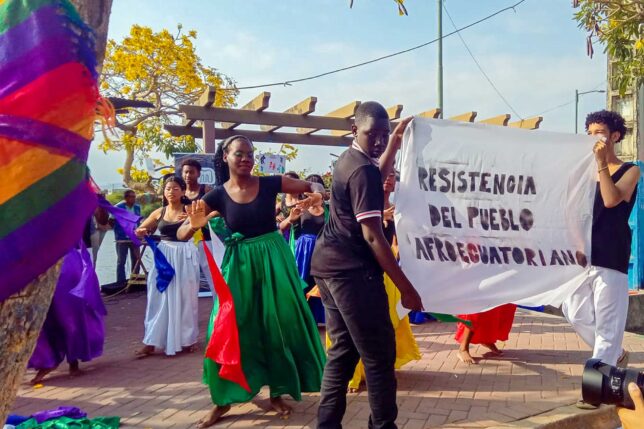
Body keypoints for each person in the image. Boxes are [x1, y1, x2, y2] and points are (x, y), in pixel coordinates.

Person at [178, 135, 326, 428]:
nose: (246, 158)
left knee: (276, 325)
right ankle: (222, 400)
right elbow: (182, 233)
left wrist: (317, 194)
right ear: (226, 157)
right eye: (239, 154)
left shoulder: (271, 183)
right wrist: (193, 226)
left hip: (274, 260)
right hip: (239, 266)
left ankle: (278, 393)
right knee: (226, 327)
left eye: (250, 153)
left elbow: (313, 186)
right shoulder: (216, 195)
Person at [310, 101, 423, 429]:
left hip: (329, 266)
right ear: (354, 129)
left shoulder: (351, 160)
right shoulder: (361, 169)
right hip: (352, 272)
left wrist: (395, 141)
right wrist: (406, 289)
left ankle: (327, 425)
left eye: (384, 134)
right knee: (378, 355)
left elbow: (375, 178)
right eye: (372, 134)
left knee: (343, 351)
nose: (378, 140)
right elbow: (373, 235)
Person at [560, 110, 639, 409]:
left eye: (600, 132)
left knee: (607, 326)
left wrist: (602, 164)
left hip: (612, 255)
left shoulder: (630, 171)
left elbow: (610, 199)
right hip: (583, 257)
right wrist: (575, 244)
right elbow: (572, 212)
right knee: (574, 311)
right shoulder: (582, 173)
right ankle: (614, 355)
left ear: (615, 136)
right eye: (590, 132)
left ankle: (597, 391)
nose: (594, 138)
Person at [342, 169, 421, 393]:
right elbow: (352, 232)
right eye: (385, 175)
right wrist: (378, 218)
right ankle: (355, 373)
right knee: (359, 325)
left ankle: (378, 369)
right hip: (361, 271)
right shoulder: (363, 202)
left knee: (388, 323)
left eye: (393, 177)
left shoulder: (401, 208)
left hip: (388, 274)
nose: (388, 180)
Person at [134, 176, 200, 358]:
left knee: (186, 297)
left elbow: (202, 223)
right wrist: (140, 231)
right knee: (157, 297)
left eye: (176, 188)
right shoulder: (159, 212)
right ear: (164, 192)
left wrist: (192, 220)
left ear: (183, 191)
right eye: (168, 188)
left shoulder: (190, 209)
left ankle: (188, 339)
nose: (171, 192)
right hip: (164, 256)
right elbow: (139, 231)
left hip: (184, 254)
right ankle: (151, 341)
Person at [28, 240, 106, 384]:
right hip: (37, 264)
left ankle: (73, 361)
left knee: (69, 313)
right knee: (39, 317)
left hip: (64, 263)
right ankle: (47, 361)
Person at [279, 173, 327, 324]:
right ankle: (299, 318)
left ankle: (319, 318)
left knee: (321, 285)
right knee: (302, 283)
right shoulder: (300, 207)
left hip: (323, 250)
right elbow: (283, 227)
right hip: (303, 251)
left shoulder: (328, 209)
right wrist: (289, 219)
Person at [181, 158, 216, 297]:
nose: (188, 175)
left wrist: (201, 218)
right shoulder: (179, 192)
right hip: (185, 242)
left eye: (191, 172)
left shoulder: (206, 190)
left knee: (214, 278)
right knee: (187, 280)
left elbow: (217, 211)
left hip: (205, 240)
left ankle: (220, 308)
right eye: (185, 172)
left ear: (199, 174)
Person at [113, 190, 142, 286]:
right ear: (126, 198)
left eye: (134, 197)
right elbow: (111, 221)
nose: (133, 199)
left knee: (136, 260)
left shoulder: (137, 207)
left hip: (135, 237)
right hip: (122, 238)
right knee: (121, 261)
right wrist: (119, 231)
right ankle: (120, 283)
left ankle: (135, 281)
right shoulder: (118, 208)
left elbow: (138, 221)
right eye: (131, 197)